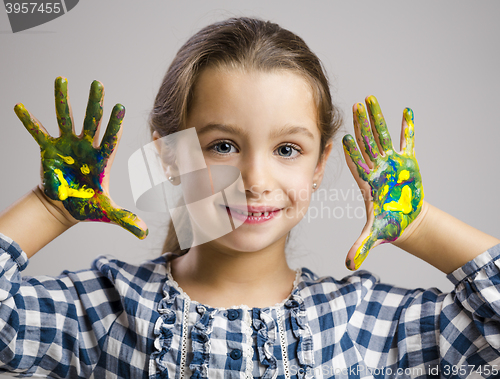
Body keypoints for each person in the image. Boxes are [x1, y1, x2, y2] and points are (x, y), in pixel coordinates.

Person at [0, 16, 499, 379]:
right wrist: (50, 209)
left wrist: (420, 224)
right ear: (170, 156)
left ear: (320, 163)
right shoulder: (104, 311)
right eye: (223, 146)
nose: (255, 178)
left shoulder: (361, 323)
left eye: (287, 148)